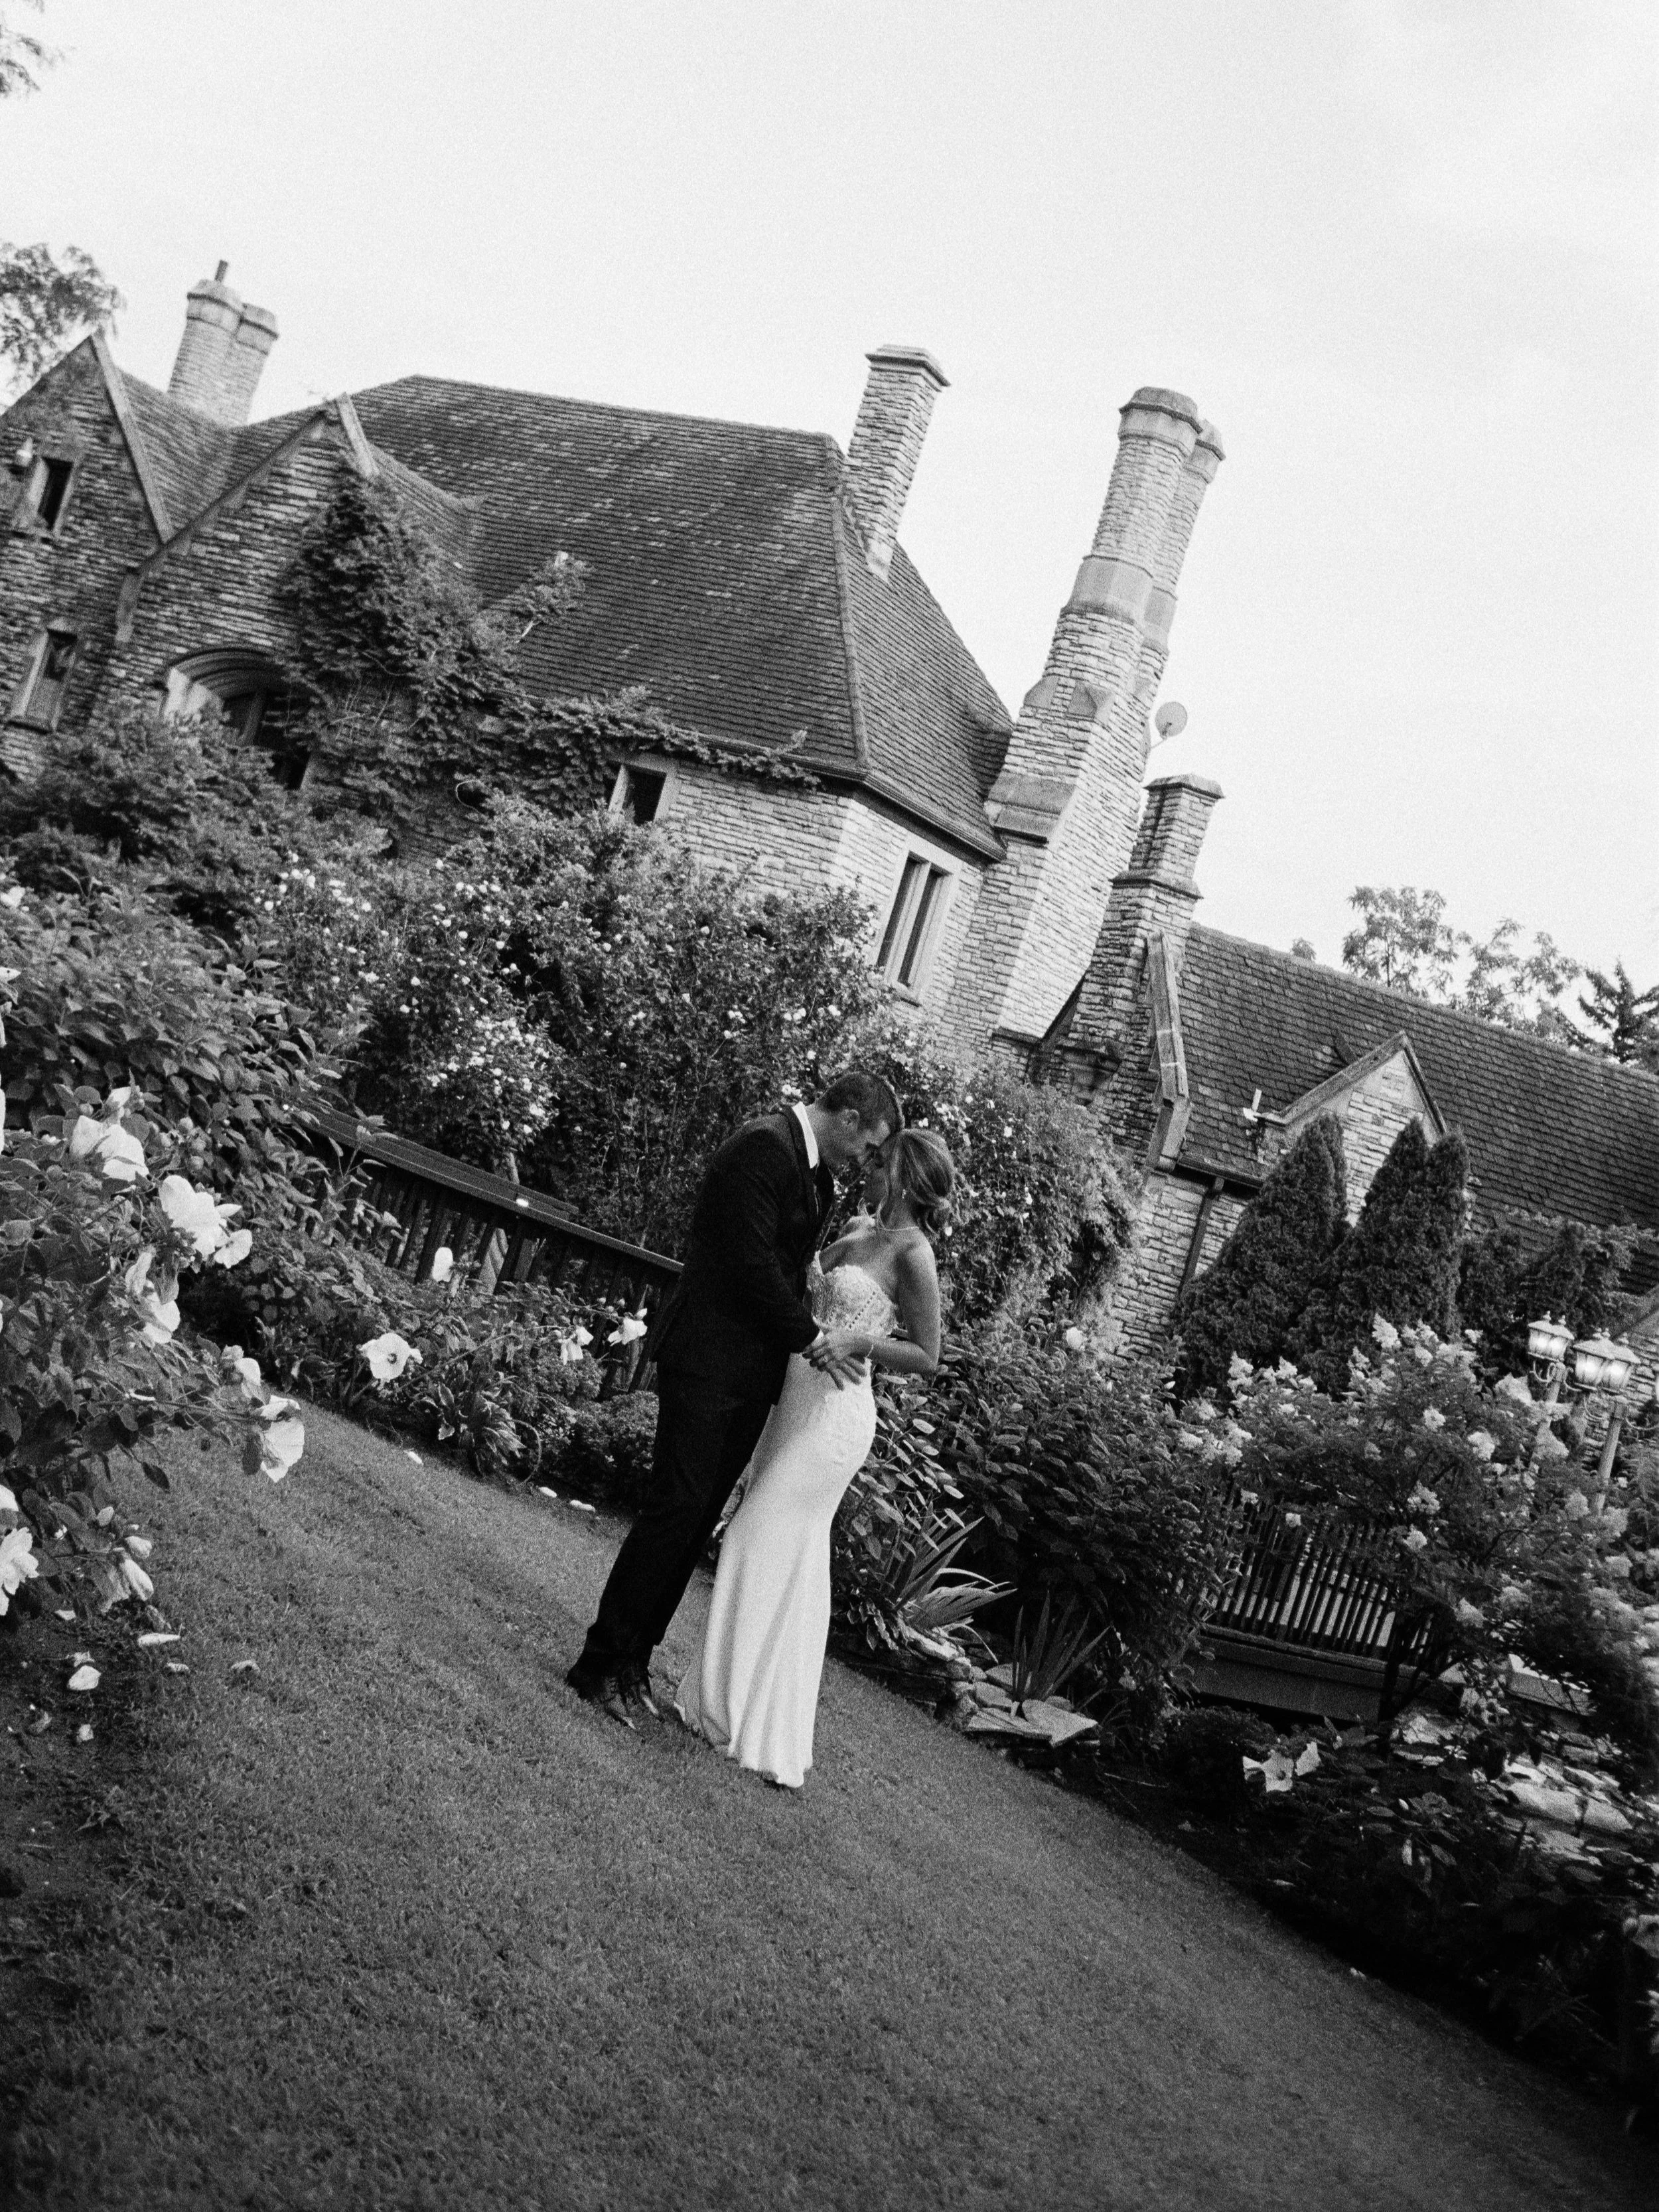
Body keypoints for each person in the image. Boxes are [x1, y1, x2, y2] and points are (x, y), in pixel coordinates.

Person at [565, 1070, 901, 1726]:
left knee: (696, 1521)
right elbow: (748, 1270)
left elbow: (787, 1267)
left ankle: (635, 1663)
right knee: (674, 1509)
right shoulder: (762, 1147)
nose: (865, 1163)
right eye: (869, 1146)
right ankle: (597, 1664)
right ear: (850, 1117)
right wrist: (813, 1338)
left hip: (750, 1374)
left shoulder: (814, 1171)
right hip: (706, 1359)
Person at [674, 1126, 952, 1788]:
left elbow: (927, 1356)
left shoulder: (914, 1254)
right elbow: (805, 1293)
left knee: (752, 1535)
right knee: (789, 1558)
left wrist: (858, 1342)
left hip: (835, 1417)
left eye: (879, 1165)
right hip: (792, 1399)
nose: (867, 1172)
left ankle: (730, 1708)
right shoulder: (855, 1228)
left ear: (906, 1177)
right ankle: (740, 1714)